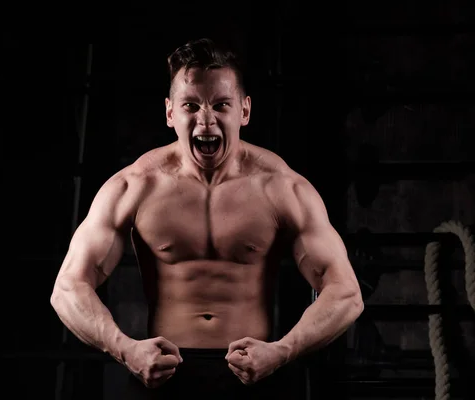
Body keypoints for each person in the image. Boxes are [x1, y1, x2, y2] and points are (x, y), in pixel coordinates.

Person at [50, 38, 364, 399]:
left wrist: (283, 350)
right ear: (170, 113)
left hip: (256, 374)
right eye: (191, 105)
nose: (206, 119)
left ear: (244, 111)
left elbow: (346, 292)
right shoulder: (134, 186)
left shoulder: (282, 188)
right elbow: (67, 288)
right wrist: (126, 349)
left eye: (221, 105)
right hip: (163, 375)